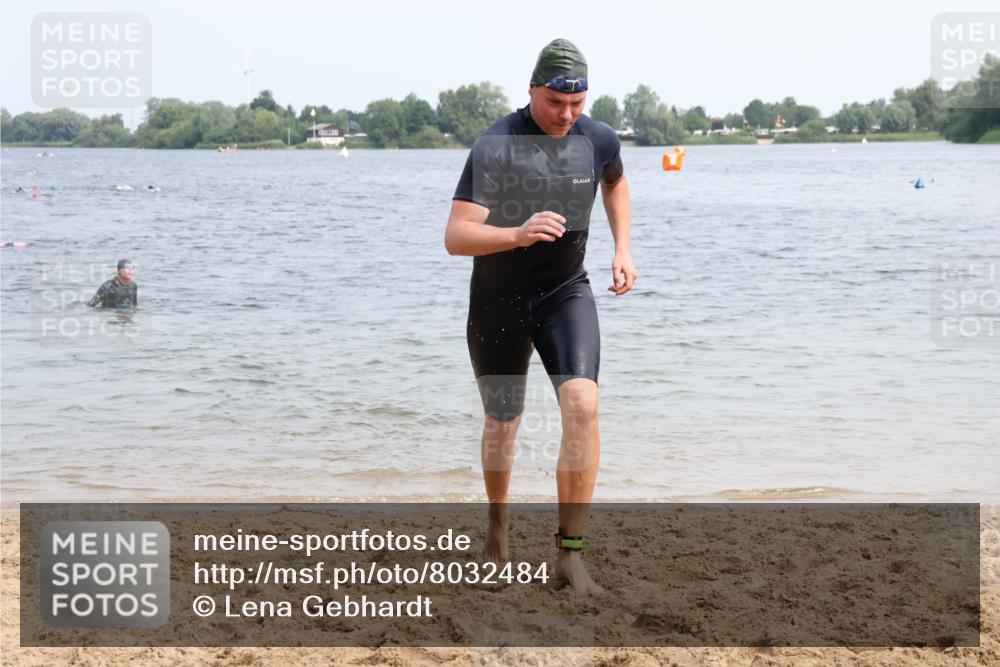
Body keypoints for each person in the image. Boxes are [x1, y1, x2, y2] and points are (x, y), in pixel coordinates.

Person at [445, 38, 636, 592]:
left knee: (583, 405)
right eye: (555, 102)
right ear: (532, 90)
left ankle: (570, 554)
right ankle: (498, 523)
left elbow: (615, 182)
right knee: (503, 422)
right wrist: (517, 233)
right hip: (498, 301)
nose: (566, 114)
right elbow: (456, 236)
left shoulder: (598, 138)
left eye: (576, 103)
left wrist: (623, 248)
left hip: (564, 292)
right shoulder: (496, 145)